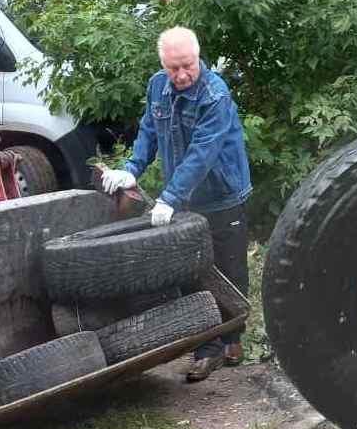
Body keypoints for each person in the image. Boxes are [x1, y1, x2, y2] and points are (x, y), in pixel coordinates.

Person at [100, 26, 253, 382]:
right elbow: (149, 131)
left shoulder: (215, 95)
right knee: (193, 271)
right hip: (184, 198)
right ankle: (207, 348)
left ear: (198, 58)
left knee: (230, 270)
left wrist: (170, 197)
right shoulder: (158, 86)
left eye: (188, 66)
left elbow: (203, 153)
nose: (182, 75)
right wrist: (132, 170)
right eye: (174, 68)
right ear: (163, 65)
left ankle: (233, 338)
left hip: (222, 194)